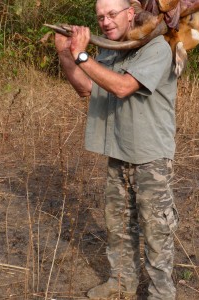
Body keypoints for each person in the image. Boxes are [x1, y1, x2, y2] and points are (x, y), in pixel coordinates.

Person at [54, 0, 179, 299]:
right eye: (100, 17)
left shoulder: (157, 47)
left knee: (156, 230)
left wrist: (81, 54)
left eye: (112, 14)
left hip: (151, 157)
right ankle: (120, 285)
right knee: (119, 224)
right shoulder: (110, 49)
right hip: (119, 150)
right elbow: (86, 86)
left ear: (130, 13)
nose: (105, 22)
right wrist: (66, 54)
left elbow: (123, 86)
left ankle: (162, 293)